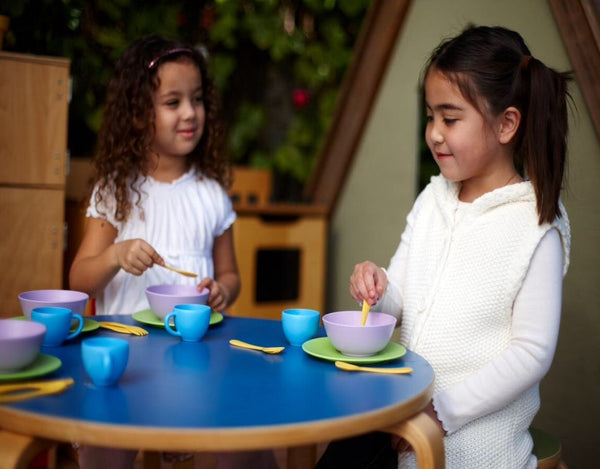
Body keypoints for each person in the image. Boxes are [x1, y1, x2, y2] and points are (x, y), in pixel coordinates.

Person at [317, 25, 572, 469]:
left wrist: (441, 412)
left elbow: (531, 353)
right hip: (404, 424)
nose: (434, 132)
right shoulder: (433, 198)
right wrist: (378, 286)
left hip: (475, 448)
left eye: (450, 119)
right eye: (431, 116)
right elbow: (397, 298)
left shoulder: (535, 225)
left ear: (507, 124)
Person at [69, 34, 257, 468]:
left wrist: (222, 293)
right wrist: (116, 254)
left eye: (196, 100)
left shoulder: (212, 195)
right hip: (124, 364)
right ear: (138, 114)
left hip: (195, 363)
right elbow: (79, 280)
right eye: (173, 103)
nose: (190, 113)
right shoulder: (116, 191)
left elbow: (231, 276)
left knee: (235, 449)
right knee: (104, 453)